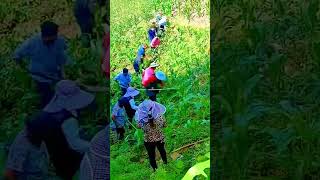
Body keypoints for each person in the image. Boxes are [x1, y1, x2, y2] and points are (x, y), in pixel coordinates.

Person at [22, 80, 95, 179]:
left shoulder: (46, 113)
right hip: (64, 161)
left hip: (46, 156)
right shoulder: (67, 118)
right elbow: (75, 144)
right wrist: (96, 147)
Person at [12, 21, 70, 108]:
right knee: (48, 101)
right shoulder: (32, 42)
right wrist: (24, 68)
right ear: (44, 35)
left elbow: (61, 59)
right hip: (39, 78)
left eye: (55, 37)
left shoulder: (59, 41)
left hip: (55, 76)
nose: (53, 40)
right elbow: (16, 55)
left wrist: (63, 74)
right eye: (50, 38)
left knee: (64, 97)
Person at [135, 99, 168, 171]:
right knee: (162, 151)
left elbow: (138, 127)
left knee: (151, 156)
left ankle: (155, 170)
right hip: (160, 137)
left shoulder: (142, 121)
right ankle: (166, 163)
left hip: (148, 140)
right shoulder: (160, 117)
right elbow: (165, 125)